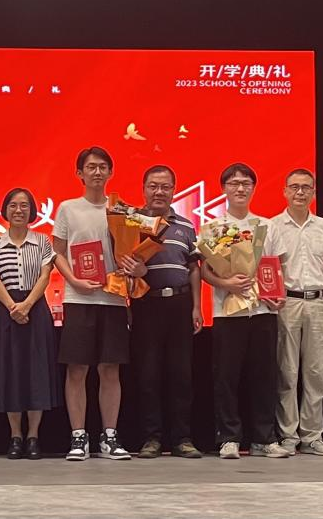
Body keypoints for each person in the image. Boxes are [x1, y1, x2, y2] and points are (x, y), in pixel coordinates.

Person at [202, 163, 290, 459]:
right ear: (223, 189)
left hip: (263, 311)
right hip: (227, 313)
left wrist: (277, 295)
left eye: (246, 183)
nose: (240, 188)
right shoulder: (213, 228)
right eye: (233, 183)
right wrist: (225, 283)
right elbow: (205, 270)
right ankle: (229, 438)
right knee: (227, 377)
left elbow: (276, 266)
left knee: (264, 375)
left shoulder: (267, 226)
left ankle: (265, 438)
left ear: (253, 188)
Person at [52, 146, 133, 461]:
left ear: (110, 172)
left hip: (113, 299)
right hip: (78, 298)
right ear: (79, 173)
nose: (97, 172)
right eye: (91, 167)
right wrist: (73, 280)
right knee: (77, 368)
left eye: (102, 167)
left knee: (110, 369)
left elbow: (132, 252)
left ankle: (109, 436)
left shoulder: (122, 210)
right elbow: (57, 252)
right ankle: (78, 436)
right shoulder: (68, 208)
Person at [130, 165, 204, 460]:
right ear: (144, 189)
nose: (159, 192)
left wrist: (197, 306)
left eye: (165, 186)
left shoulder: (185, 225)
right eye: (153, 186)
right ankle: (152, 438)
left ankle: (182, 439)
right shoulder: (130, 223)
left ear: (173, 190)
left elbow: (193, 267)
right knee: (148, 374)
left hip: (180, 304)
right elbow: (121, 263)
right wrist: (135, 271)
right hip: (146, 304)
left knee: (181, 374)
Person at [0, 187, 61, 460]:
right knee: (10, 373)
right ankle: (15, 436)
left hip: (35, 309)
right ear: (5, 210)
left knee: (36, 373)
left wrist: (26, 305)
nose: (18, 210)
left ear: (32, 211)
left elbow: (45, 276)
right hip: (5, 310)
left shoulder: (42, 241)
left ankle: (33, 436)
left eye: (24, 205)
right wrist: (12, 307)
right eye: (13, 205)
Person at [266, 169, 323, 456]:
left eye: (306, 187)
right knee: (287, 371)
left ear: (313, 192)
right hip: (287, 303)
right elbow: (268, 268)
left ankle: (312, 435)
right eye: (294, 187)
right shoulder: (272, 226)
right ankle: (288, 434)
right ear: (284, 191)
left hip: (319, 302)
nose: (300, 192)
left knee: (316, 371)